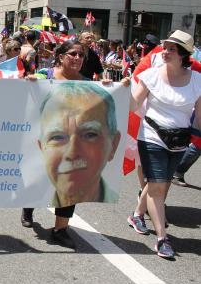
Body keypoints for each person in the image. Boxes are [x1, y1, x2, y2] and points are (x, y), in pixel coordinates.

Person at [22, 40, 128, 249]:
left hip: (73, 138)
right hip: (46, 137)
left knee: (71, 180)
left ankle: (60, 229)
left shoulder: (88, 82)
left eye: (81, 55)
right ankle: (28, 206)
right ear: (60, 57)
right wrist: (30, 80)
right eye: (73, 54)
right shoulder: (45, 75)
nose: (78, 58)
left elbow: (99, 100)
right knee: (39, 177)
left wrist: (113, 88)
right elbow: (28, 87)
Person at [127, 30, 201, 259]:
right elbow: (134, 104)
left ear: (183, 54)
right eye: (165, 47)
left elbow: (199, 117)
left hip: (180, 141)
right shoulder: (151, 75)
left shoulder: (197, 80)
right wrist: (119, 89)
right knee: (158, 187)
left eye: (171, 48)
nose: (165, 52)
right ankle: (162, 239)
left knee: (162, 183)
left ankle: (137, 215)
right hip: (151, 137)